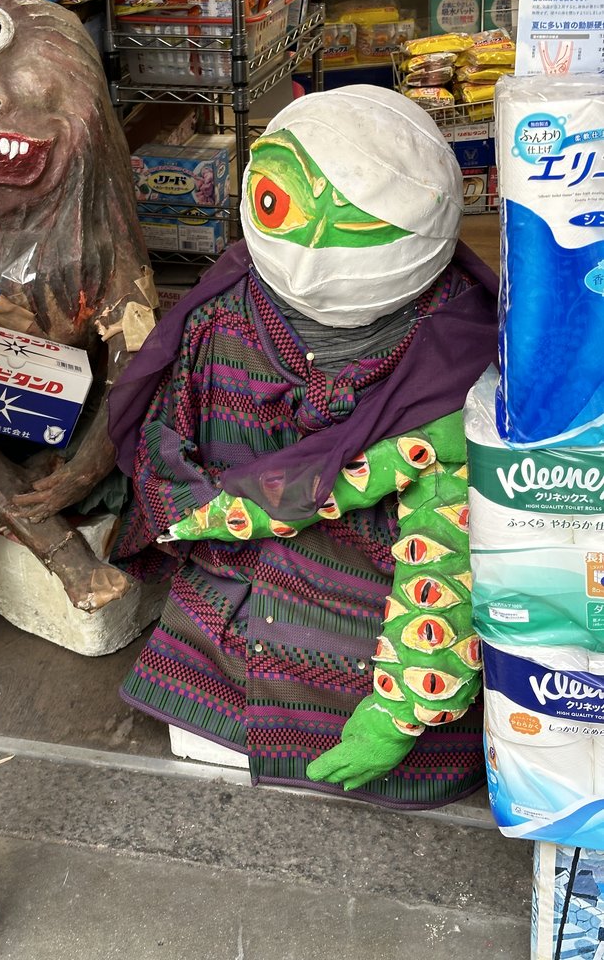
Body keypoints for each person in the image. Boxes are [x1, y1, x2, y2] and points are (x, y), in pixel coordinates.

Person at [108, 86, 498, 808]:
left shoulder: (457, 355)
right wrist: (194, 512)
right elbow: (166, 439)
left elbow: (452, 545)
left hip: (366, 636)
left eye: (348, 221)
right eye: (287, 207)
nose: (314, 252)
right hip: (228, 630)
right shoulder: (226, 315)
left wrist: (401, 707)